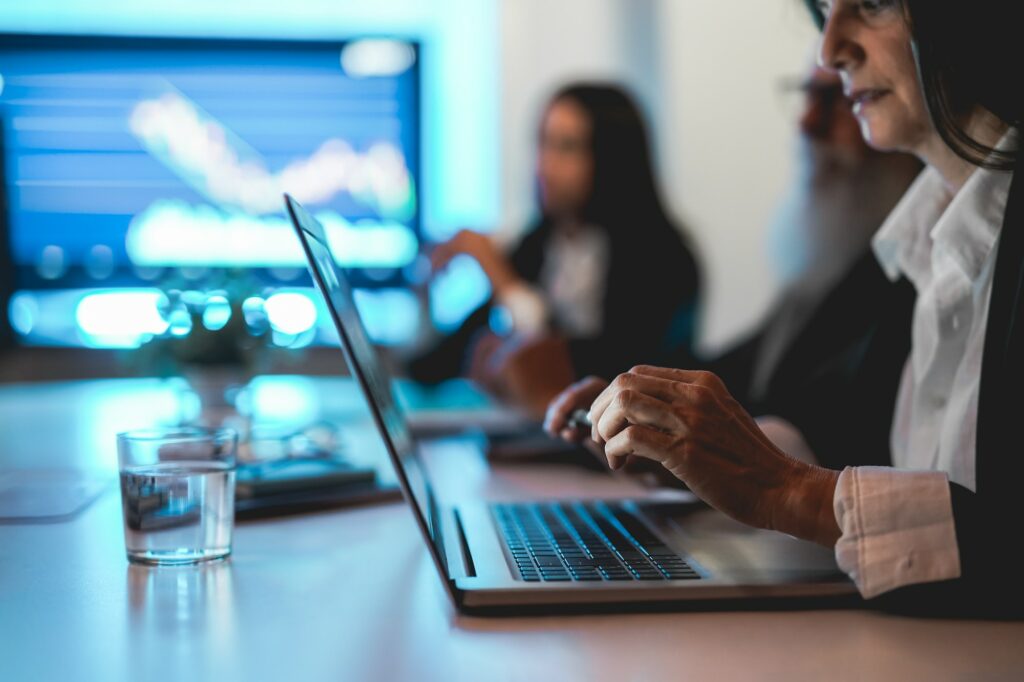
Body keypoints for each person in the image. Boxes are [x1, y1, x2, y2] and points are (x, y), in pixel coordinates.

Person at [546, 0, 1022, 613]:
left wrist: (784, 488)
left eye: (872, 5)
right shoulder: (921, 237)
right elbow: (842, 422)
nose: (830, 48)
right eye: (825, 9)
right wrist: (679, 448)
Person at [409, 84, 701, 415]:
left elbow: (602, 374)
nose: (543, 165)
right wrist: (423, 295)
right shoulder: (539, 245)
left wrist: (503, 281)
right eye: (542, 143)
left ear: (612, 157)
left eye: (566, 147)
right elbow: (432, 367)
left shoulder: (662, 258)